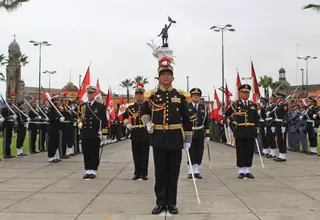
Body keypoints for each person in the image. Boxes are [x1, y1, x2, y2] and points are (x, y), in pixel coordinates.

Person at [141, 56, 192, 215]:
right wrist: (148, 122)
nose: (166, 77)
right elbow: (143, 112)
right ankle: (160, 202)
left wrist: (188, 139)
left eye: (168, 74)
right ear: (159, 77)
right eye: (163, 74)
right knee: (160, 172)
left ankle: (172, 203)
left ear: (172, 77)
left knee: (173, 172)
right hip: (158, 139)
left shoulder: (180, 96)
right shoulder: (152, 96)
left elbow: (186, 118)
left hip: (176, 138)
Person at [225, 84, 259, 179]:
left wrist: (256, 130)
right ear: (240, 93)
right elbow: (227, 115)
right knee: (241, 151)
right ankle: (240, 170)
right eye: (243, 92)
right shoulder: (235, 105)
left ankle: (247, 170)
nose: (245, 94)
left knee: (249, 151)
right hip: (240, 131)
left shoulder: (253, 105)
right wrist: (233, 125)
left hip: (250, 131)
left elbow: (256, 119)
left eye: (247, 93)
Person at [77, 85, 108, 180]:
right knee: (86, 152)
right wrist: (79, 123)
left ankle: (93, 170)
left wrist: (104, 134)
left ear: (95, 94)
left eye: (91, 93)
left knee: (94, 152)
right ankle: (87, 170)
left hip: (95, 133)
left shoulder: (100, 106)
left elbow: (104, 121)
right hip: (85, 133)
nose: (89, 95)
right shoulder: (83, 106)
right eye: (88, 93)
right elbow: (79, 117)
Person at [123, 82, 150, 180]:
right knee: (136, 154)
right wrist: (127, 124)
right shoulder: (131, 107)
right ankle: (137, 172)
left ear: (143, 95)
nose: (139, 96)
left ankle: (144, 173)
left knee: (144, 154)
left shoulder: (147, 106)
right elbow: (125, 117)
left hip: (144, 131)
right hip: (135, 132)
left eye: (140, 94)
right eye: (137, 94)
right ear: (135, 95)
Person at [187, 87, 210, 179]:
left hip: (200, 132)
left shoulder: (203, 107)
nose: (196, 97)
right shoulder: (186, 107)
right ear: (191, 97)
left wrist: (207, 134)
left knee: (199, 152)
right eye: (194, 95)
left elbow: (207, 122)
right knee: (191, 152)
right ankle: (190, 171)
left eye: (197, 96)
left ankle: (196, 171)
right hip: (190, 132)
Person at [47, 95, 65, 163]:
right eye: (55, 100)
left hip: (57, 128)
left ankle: (54, 156)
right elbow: (51, 118)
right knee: (52, 142)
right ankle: (50, 157)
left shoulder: (57, 109)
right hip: (52, 128)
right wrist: (58, 119)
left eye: (57, 100)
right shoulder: (50, 109)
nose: (56, 102)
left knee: (56, 143)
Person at [273, 93, 288, 162]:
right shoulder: (278, 105)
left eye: (279, 98)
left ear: (282, 98)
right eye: (277, 98)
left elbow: (285, 116)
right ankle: (280, 154)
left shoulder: (284, 105)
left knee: (282, 139)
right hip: (277, 124)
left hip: (282, 124)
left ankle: (283, 155)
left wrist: (284, 125)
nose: (277, 99)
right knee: (279, 139)